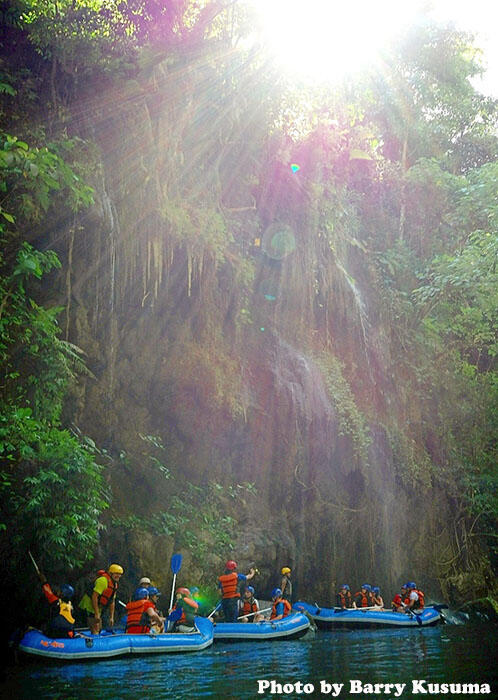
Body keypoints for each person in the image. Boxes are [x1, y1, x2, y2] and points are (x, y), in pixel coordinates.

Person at [38, 570, 76, 639]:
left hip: (57, 632)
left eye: (59, 591)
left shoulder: (56, 601)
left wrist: (44, 581)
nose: (57, 591)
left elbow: (48, 591)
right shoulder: (71, 605)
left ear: (63, 594)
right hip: (68, 632)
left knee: (45, 626)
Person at [90, 563, 124, 634]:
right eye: (116, 573)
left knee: (99, 628)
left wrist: (111, 617)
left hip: (99, 607)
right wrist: (96, 613)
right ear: (110, 573)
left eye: (120, 574)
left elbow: (112, 601)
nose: (118, 576)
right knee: (95, 629)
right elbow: (94, 597)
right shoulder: (103, 581)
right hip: (89, 606)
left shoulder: (114, 584)